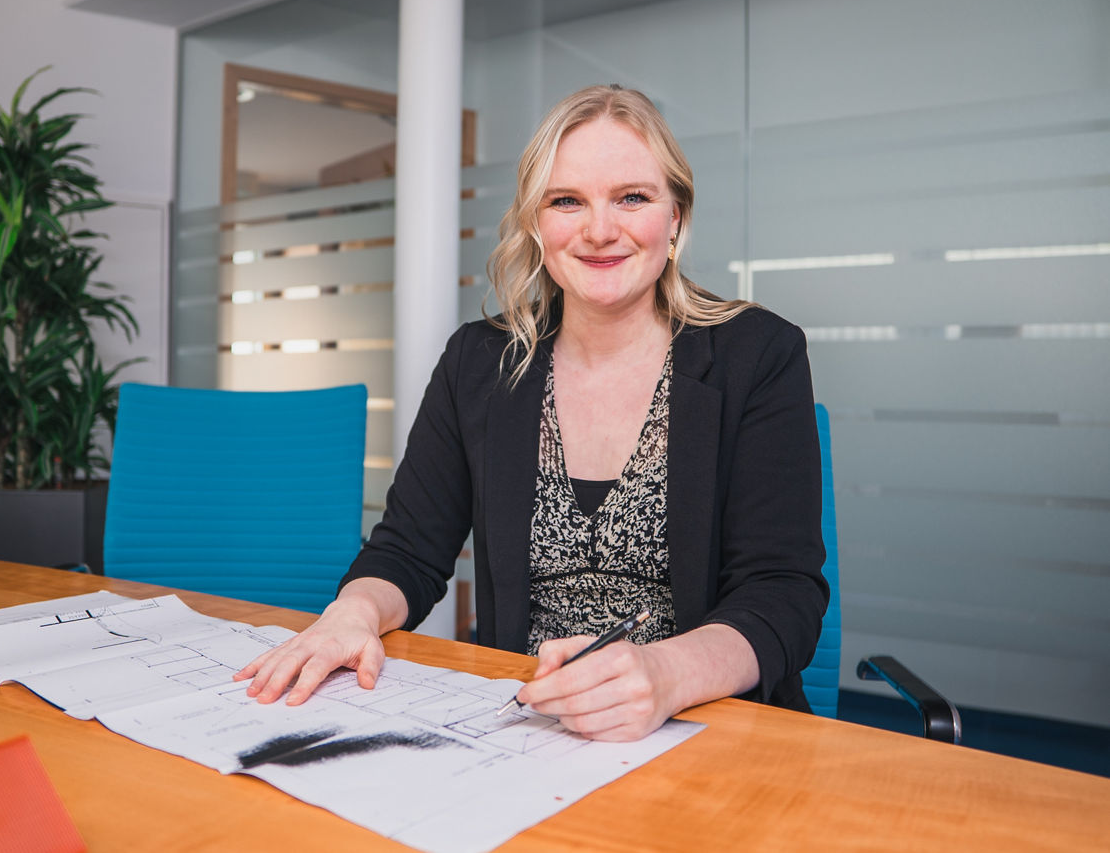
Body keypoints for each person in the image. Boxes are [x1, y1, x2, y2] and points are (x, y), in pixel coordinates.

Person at [235, 85, 827, 742]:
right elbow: (409, 549)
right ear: (535, 224)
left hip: (712, 731)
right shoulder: (479, 363)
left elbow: (783, 593)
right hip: (532, 736)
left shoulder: (757, 354)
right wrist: (353, 612)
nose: (600, 230)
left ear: (676, 218)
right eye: (567, 200)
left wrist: (664, 674)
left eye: (632, 197)